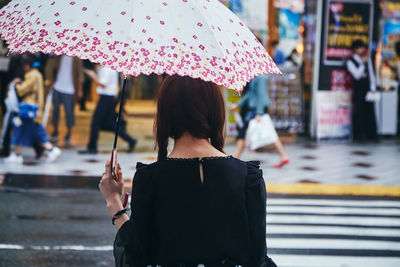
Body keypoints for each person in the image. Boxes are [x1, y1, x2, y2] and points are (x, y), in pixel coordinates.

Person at [99, 75, 277, 267]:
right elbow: (258, 260)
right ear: (216, 111)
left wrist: (115, 203)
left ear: (165, 114)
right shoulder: (248, 178)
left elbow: (135, 258)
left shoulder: (149, 179)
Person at [4, 54, 61, 163]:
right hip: (33, 111)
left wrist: (15, 84)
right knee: (35, 133)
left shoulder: (32, 75)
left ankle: (17, 155)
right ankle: (51, 150)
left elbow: (23, 89)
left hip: (27, 109)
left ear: (26, 65)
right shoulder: (36, 74)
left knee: (20, 130)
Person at [231, 75, 290, 168]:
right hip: (255, 110)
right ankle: (283, 156)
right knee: (269, 133)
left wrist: (259, 112)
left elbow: (261, 95)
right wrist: (238, 104)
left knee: (243, 134)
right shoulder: (255, 77)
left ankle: (235, 159)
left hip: (256, 110)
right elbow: (250, 94)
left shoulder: (260, 77)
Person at [79, 66, 137, 154]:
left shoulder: (107, 68)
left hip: (107, 98)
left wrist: (92, 75)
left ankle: (92, 148)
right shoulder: (106, 68)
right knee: (109, 124)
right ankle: (131, 140)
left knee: (96, 122)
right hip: (108, 97)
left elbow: (103, 84)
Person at [45, 55, 84, 147]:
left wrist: (79, 89)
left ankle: (69, 134)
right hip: (58, 87)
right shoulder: (58, 55)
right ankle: (55, 132)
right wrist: (51, 83)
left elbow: (80, 75)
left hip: (70, 89)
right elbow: (50, 69)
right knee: (55, 111)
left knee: (69, 112)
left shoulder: (76, 58)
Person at [346, 40, 378, 142]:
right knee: (360, 112)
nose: (362, 50)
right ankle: (360, 135)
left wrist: (373, 87)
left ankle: (371, 134)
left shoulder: (367, 59)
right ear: (355, 50)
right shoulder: (350, 61)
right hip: (358, 90)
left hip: (368, 90)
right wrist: (362, 64)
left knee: (370, 111)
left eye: (363, 48)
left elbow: (371, 74)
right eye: (360, 48)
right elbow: (357, 75)